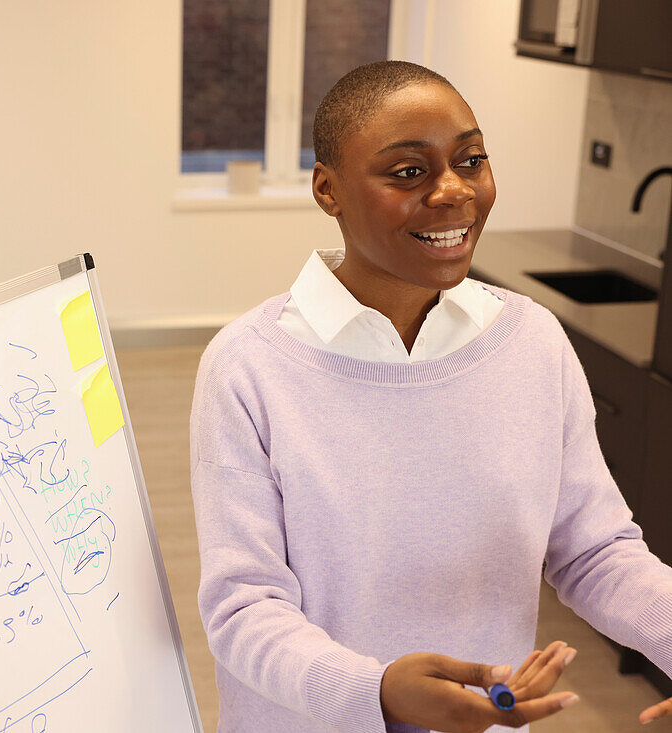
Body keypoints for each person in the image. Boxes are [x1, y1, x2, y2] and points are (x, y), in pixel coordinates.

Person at [189, 60, 672, 733]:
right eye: (408, 171)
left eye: (470, 159)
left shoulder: (533, 341)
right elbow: (244, 606)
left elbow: (593, 549)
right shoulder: (248, 367)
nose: (453, 192)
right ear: (327, 190)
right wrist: (376, 689)